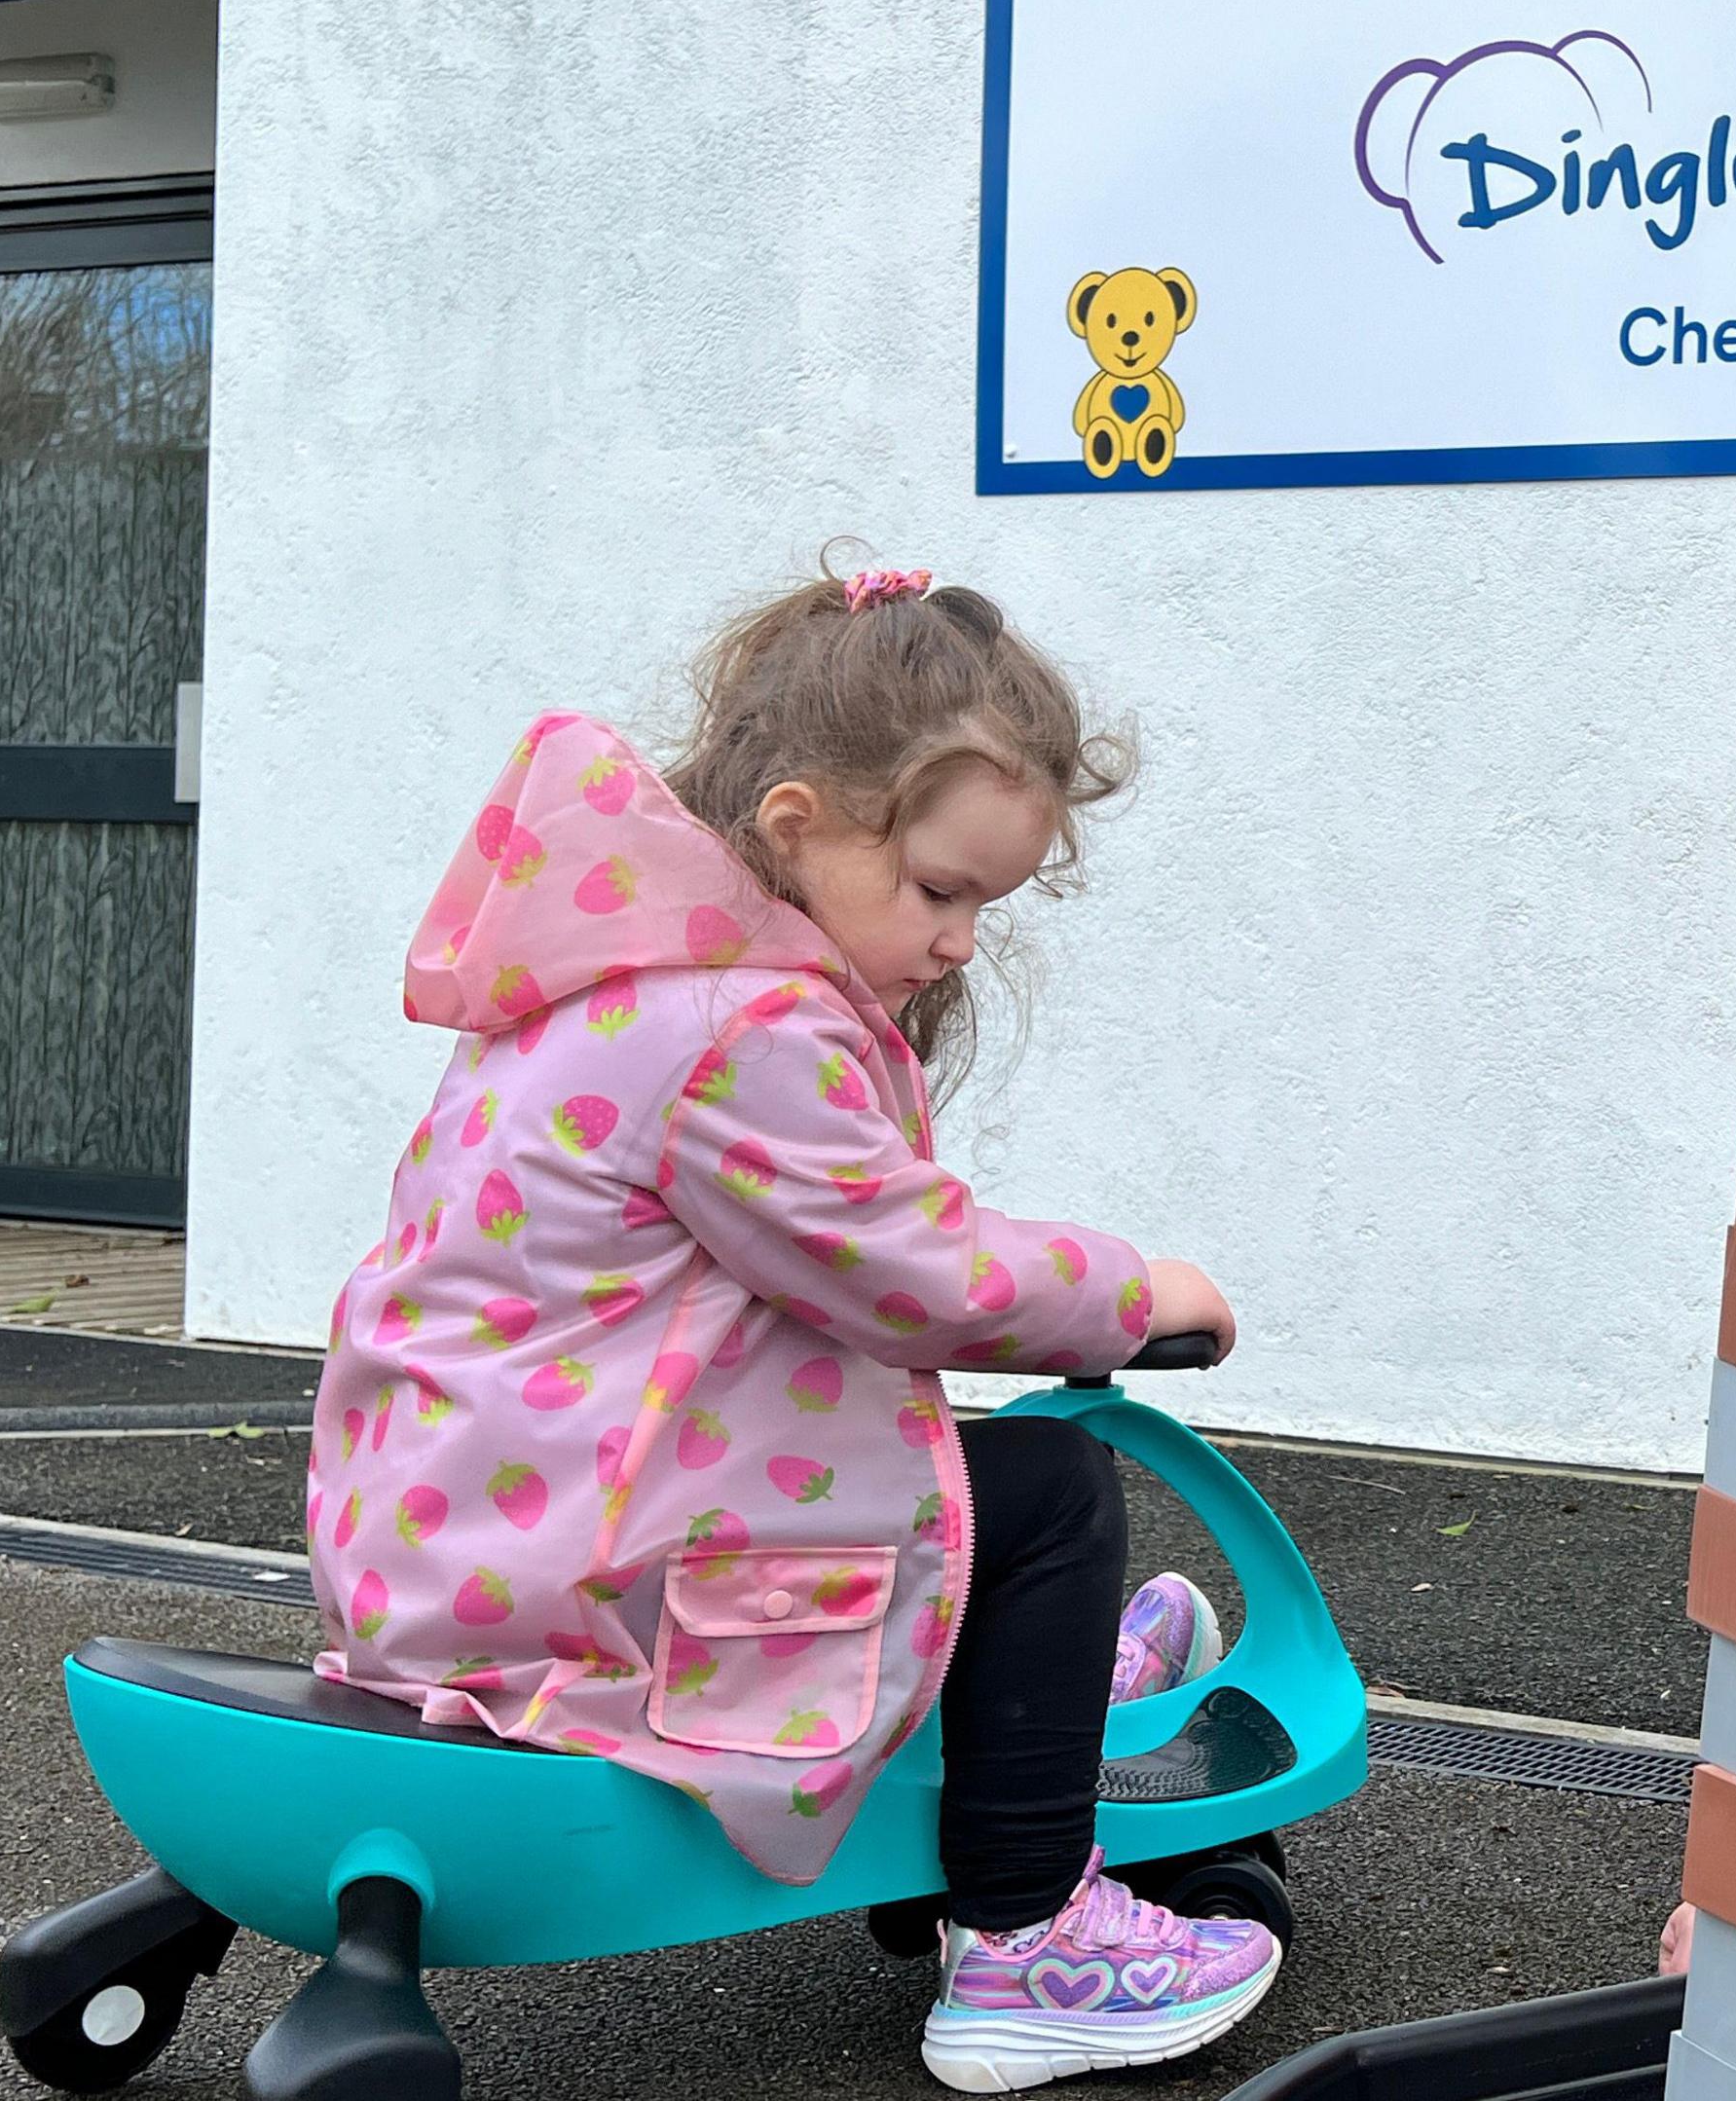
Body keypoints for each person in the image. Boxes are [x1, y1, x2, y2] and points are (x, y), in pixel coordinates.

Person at [303, 562, 1277, 2092]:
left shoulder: (605, 984)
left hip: (458, 1538)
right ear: (797, 823)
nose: (960, 940)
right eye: (942, 891)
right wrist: (1141, 1286)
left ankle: (1016, 1678)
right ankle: (1029, 1933)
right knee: (1046, 1493)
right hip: (588, 1588)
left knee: (925, 1474)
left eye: (985, 904)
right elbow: (921, 1277)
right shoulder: (735, 1027)